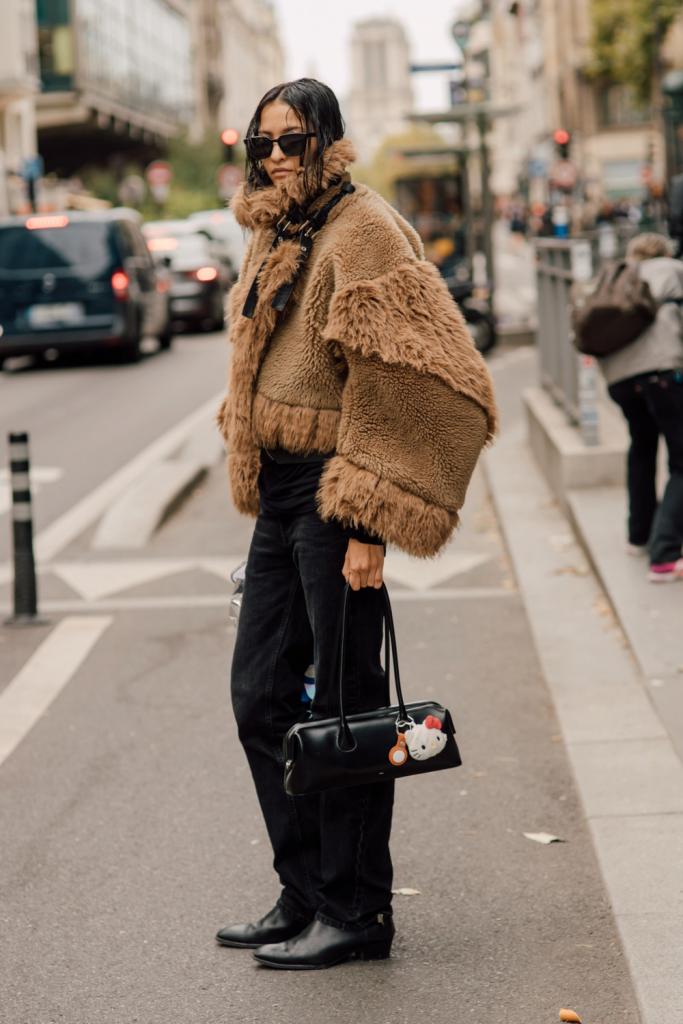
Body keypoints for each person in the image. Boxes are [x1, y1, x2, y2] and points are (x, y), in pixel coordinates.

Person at [215, 78, 497, 970]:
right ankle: (304, 892)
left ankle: (356, 910)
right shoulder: (278, 229)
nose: (274, 157)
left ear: (326, 139)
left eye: (291, 140)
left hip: (337, 495)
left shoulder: (362, 227)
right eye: (261, 143)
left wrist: (370, 518)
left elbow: (414, 373)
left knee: (345, 708)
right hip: (281, 491)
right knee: (260, 696)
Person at [599, 233, 683, 581]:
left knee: (642, 447)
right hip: (662, 374)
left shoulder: (618, 277)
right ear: (665, 252)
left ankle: (639, 536)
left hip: (619, 380)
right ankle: (665, 556)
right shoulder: (674, 270)